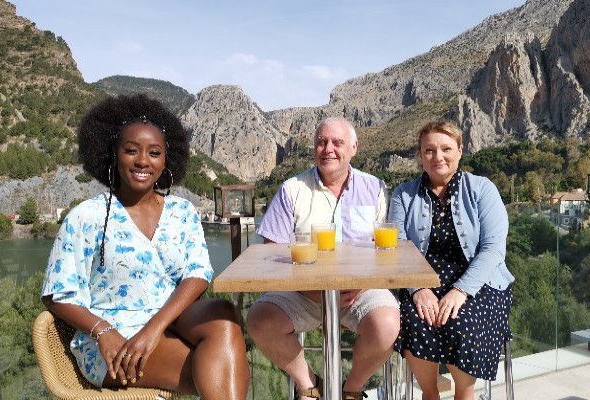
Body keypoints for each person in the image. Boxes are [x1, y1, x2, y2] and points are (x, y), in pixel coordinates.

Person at [40, 94, 250, 399]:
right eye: (131, 150)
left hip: (172, 320)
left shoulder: (182, 211)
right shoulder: (87, 216)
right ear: (114, 154)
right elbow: (57, 294)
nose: (142, 161)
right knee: (226, 368)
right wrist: (102, 331)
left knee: (223, 312)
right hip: (115, 340)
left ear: (166, 160)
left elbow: (198, 273)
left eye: (154, 153)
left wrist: (154, 329)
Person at [246, 117, 400, 400]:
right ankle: (310, 385)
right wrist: (310, 290)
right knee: (259, 319)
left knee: (388, 323)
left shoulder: (375, 188)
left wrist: (362, 285)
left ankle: (351, 390)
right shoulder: (292, 189)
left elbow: (384, 250)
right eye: (321, 142)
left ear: (354, 147)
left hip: (360, 291)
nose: (328, 149)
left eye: (337, 142)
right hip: (303, 292)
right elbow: (271, 253)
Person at [388, 119, 514, 400]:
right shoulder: (403, 195)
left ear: (460, 150)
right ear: (420, 155)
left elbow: (493, 249)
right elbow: (396, 247)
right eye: (429, 150)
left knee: (461, 323)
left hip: (479, 282)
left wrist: (460, 291)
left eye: (446, 148)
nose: (438, 156)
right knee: (414, 319)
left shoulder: (482, 189)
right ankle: (429, 394)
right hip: (422, 280)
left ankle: (464, 394)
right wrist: (417, 289)